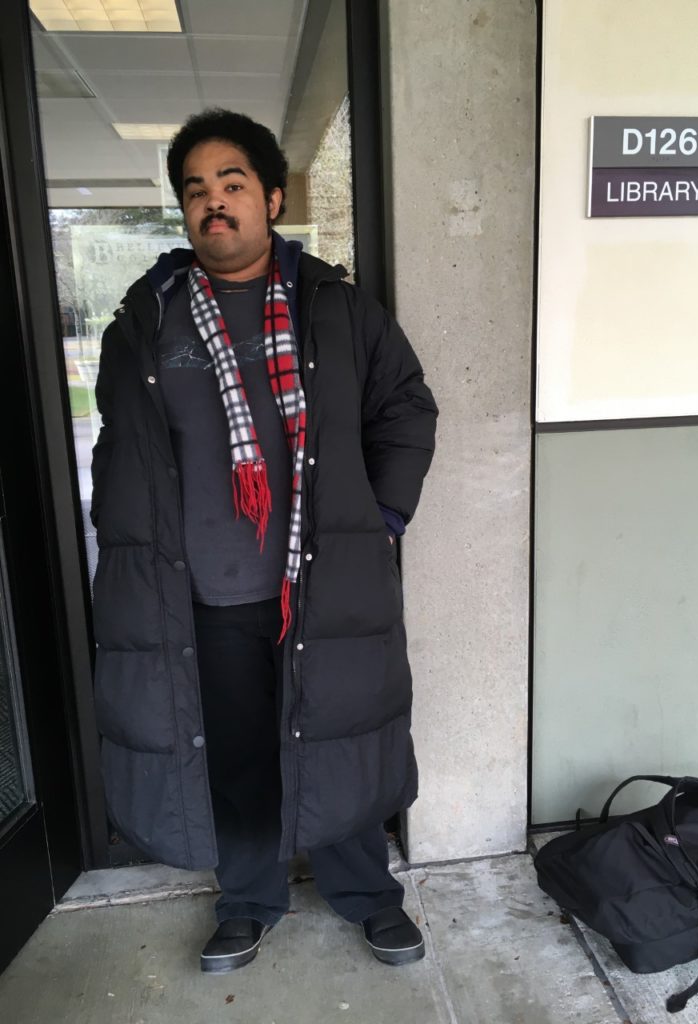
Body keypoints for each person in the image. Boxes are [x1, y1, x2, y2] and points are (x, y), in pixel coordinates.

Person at [90, 108, 438, 974]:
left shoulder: (336, 308)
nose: (214, 203)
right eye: (195, 190)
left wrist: (382, 520)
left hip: (324, 584)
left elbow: (406, 411)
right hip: (203, 596)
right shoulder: (147, 321)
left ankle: (367, 897)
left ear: (273, 197)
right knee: (238, 755)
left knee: (341, 736)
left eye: (232, 184)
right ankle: (249, 900)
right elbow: (116, 446)